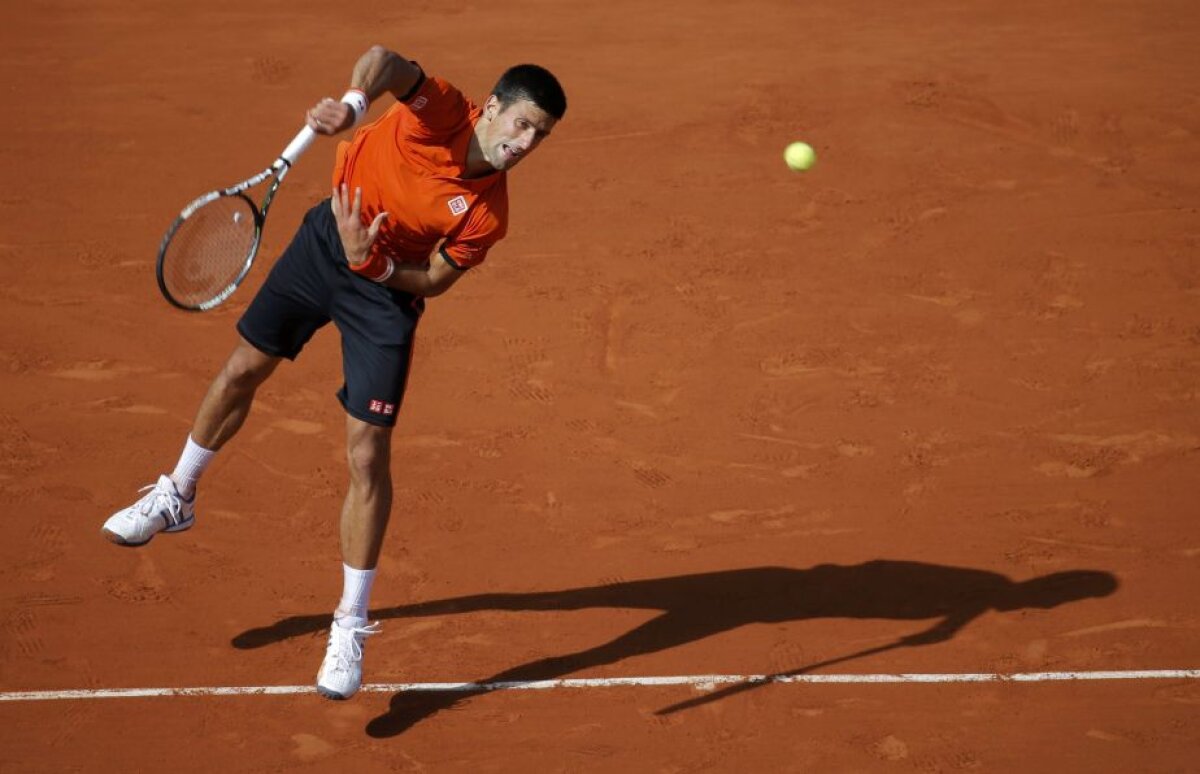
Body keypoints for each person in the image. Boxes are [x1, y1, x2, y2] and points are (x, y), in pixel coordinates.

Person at [101, 45, 566, 701]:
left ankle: (349, 625)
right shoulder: (439, 110)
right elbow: (384, 61)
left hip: (384, 291)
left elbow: (434, 278)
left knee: (367, 450)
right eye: (521, 124)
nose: (526, 142)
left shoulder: (490, 213)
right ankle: (176, 495)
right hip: (323, 244)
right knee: (242, 370)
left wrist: (375, 268)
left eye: (540, 135)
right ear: (491, 106)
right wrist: (353, 103)